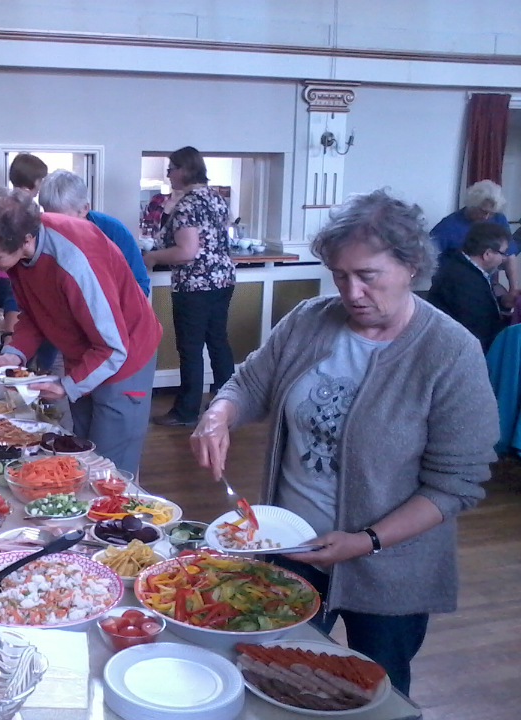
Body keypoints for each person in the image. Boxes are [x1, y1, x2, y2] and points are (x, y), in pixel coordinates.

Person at [190, 189, 499, 694]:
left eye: (367, 276)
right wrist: (218, 414)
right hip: (291, 546)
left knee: (373, 692)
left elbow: (455, 485)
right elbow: (249, 382)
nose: (351, 291)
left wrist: (365, 541)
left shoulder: (450, 352)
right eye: (339, 274)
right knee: (276, 676)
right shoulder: (312, 319)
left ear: (412, 265)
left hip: (389, 569)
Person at [0, 189, 162, 474]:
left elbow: (113, 348)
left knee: (108, 468)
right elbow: (35, 314)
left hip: (125, 358)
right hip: (87, 353)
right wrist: (13, 355)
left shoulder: (75, 261)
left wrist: (65, 386)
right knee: (82, 451)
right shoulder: (21, 250)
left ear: (25, 240)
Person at [142, 147, 236, 427]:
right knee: (218, 341)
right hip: (223, 280)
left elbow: (186, 251)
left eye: (171, 169)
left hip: (195, 285)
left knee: (191, 348)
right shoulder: (217, 200)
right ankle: (227, 402)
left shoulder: (187, 206)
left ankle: (186, 412)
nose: (168, 174)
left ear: (184, 169)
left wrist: (152, 257)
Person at [38, 169, 151, 297]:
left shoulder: (114, 232)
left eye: (63, 220)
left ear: (84, 209)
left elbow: (140, 286)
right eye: (50, 217)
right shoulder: (40, 233)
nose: (55, 226)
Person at [0, 153, 49, 334]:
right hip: (12, 279)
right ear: (35, 181)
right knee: (22, 327)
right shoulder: (29, 209)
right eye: (42, 179)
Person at [427, 221, 511, 353]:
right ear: (487, 254)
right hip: (460, 356)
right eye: (503, 253)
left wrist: (503, 304)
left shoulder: (465, 269)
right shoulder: (462, 279)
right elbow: (479, 329)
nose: (504, 259)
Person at [430, 180, 517, 302]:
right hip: (454, 287)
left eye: (491, 213)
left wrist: (513, 289)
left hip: (484, 283)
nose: (486, 217)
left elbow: (509, 255)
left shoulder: (498, 219)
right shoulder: (447, 227)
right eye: (483, 211)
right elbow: (427, 257)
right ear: (472, 204)